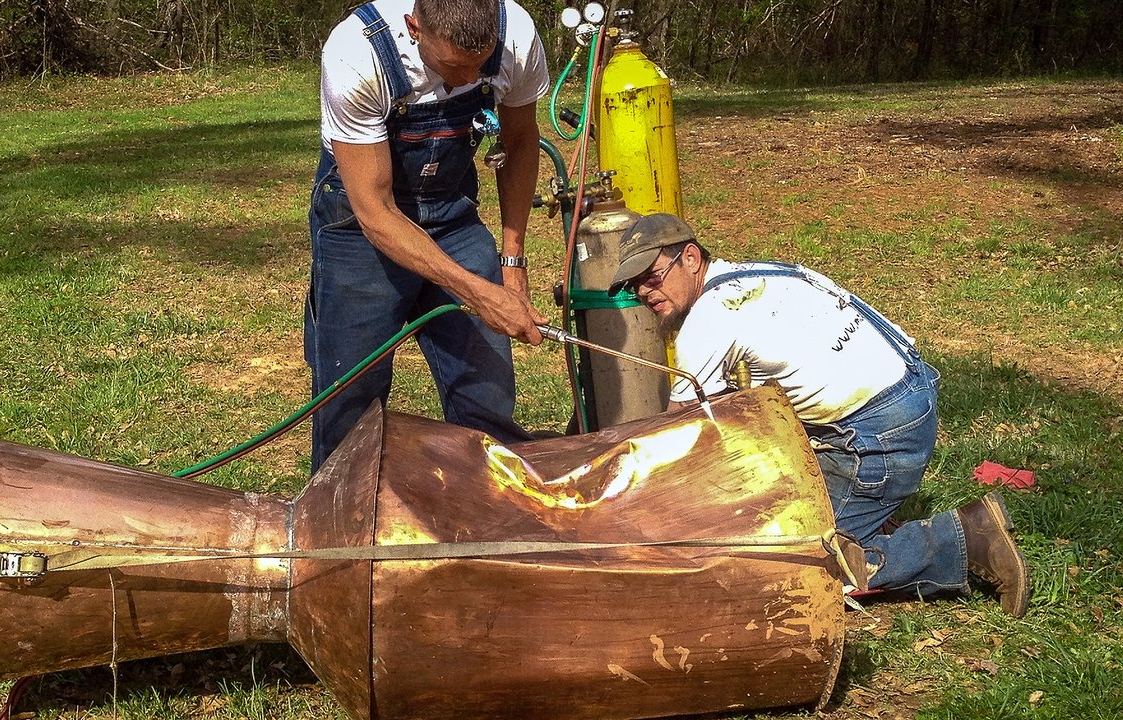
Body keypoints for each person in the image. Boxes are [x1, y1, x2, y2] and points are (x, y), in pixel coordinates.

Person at [607, 212, 1031, 617]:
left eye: (653, 276)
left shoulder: (708, 320)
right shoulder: (757, 272)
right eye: (635, 285)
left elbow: (678, 433)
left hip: (879, 432)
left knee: (800, 562)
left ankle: (961, 541)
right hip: (909, 390)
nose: (645, 292)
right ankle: (866, 510)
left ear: (691, 258)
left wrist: (625, 499)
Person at [306, 0, 550, 471]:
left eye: (478, 65)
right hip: (361, 223)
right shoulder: (357, 54)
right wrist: (478, 292)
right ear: (413, 28)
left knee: (487, 396)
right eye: (453, 66)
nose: (466, 80)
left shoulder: (516, 33)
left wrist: (511, 263)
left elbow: (520, 142)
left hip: (453, 213)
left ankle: (488, 521)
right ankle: (342, 529)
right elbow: (376, 212)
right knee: (351, 404)